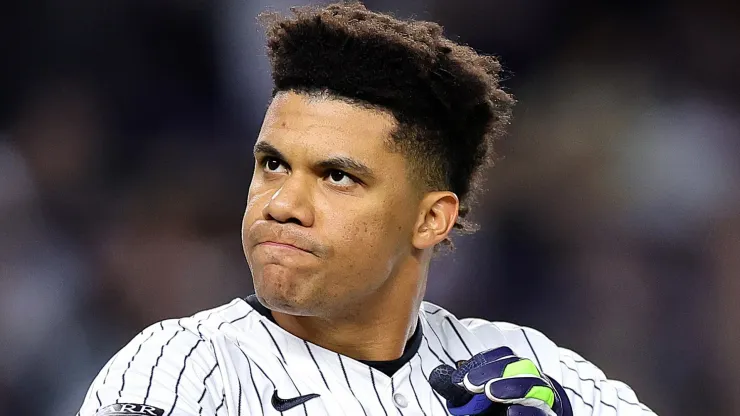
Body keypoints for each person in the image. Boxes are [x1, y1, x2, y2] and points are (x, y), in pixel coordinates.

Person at [77, 2, 656, 415]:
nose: (282, 205)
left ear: (432, 219)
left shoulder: (525, 365)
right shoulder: (186, 365)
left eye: (336, 176)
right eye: (272, 165)